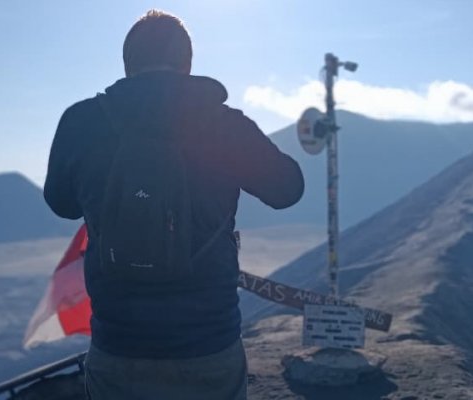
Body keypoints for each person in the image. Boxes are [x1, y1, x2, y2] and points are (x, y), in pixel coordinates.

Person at [43, 9, 304, 400]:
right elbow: (287, 190)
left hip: (118, 343)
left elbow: (60, 202)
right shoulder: (224, 124)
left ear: (128, 65)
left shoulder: (80, 122)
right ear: (187, 64)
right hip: (207, 343)